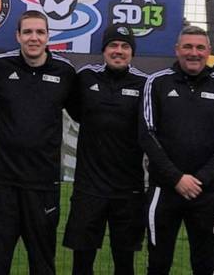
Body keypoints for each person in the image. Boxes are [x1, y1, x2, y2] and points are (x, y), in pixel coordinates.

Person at [0, 10, 76, 274]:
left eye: (40, 32)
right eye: (28, 32)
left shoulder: (65, 72)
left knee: (43, 265)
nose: (34, 38)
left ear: (48, 36)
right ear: (18, 36)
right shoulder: (0, 66)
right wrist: (5, 125)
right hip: (2, 185)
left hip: (42, 185)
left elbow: (81, 112)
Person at [139, 26, 214, 275]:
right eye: (187, 47)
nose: (193, 53)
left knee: (205, 265)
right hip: (164, 190)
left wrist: (200, 179)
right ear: (177, 50)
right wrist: (176, 178)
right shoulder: (156, 82)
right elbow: (147, 135)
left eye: (199, 47)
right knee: (158, 264)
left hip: (206, 193)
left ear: (209, 52)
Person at [62, 24, 147, 275]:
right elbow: (75, 111)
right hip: (89, 187)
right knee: (82, 262)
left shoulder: (144, 84)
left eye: (125, 46)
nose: (118, 51)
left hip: (128, 190)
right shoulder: (86, 77)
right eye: (113, 45)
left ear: (132, 52)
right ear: (104, 49)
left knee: (124, 263)